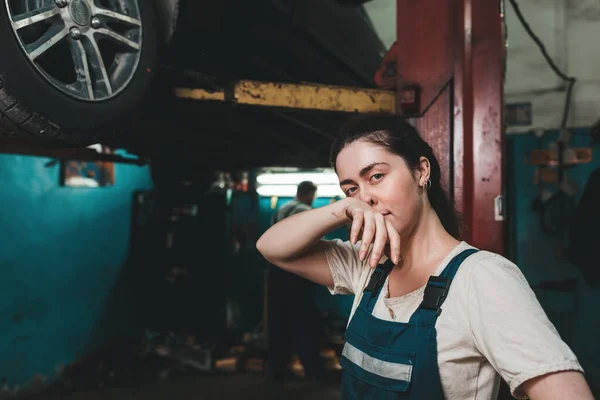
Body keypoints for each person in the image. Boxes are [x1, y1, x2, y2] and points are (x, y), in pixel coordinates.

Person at [256, 114, 594, 399]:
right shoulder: (366, 268)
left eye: (376, 176)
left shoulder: (482, 279)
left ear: (421, 172)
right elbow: (271, 247)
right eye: (352, 189)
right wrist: (341, 209)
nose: (365, 199)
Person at [266, 181, 325, 384]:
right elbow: (308, 242)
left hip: (275, 271)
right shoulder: (304, 210)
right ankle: (313, 370)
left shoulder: (281, 209)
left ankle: (278, 370)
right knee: (304, 321)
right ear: (309, 194)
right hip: (296, 272)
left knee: (279, 322)